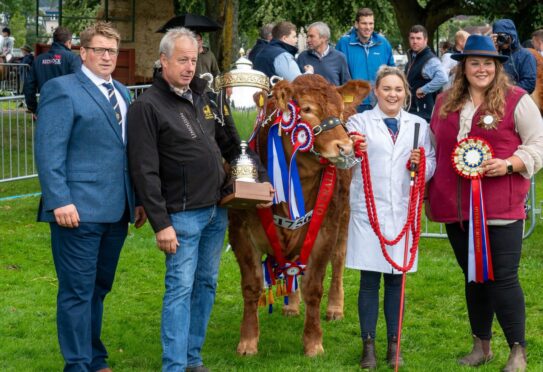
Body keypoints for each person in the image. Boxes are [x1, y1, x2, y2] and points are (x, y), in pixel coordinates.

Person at [127, 27, 271, 372]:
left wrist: (259, 180)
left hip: (213, 213)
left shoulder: (204, 99)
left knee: (205, 285)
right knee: (180, 289)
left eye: (193, 60)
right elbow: (144, 171)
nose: (190, 67)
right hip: (181, 216)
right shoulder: (146, 106)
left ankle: (193, 358)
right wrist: (162, 225)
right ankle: (174, 365)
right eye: (182, 60)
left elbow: (230, 142)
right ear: (163, 61)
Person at [427, 35, 543, 372]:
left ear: (497, 67)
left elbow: (538, 144)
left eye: (487, 63)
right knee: (473, 278)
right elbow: (433, 146)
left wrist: (510, 164)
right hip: (457, 209)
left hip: (500, 209)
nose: (481, 69)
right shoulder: (445, 101)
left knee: (503, 278)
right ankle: (481, 345)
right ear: (463, 67)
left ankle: (517, 351)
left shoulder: (516, 100)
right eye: (474, 63)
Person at [34, 22, 146, 371]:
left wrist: (138, 199)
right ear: (82, 52)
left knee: (98, 289)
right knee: (77, 292)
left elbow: (127, 153)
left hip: (116, 211)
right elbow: (49, 151)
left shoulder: (124, 93)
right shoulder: (62, 89)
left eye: (112, 51)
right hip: (76, 211)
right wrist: (59, 200)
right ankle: (78, 364)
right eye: (99, 50)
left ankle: (95, 357)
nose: (107, 57)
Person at [345, 66, 436, 369]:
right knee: (369, 280)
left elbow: (431, 161)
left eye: (398, 90)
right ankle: (368, 345)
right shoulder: (359, 122)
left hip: (402, 211)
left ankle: (394, 344)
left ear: (405, 93)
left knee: (397, 279)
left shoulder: (418, 126)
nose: (393, 95)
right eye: (387, 89)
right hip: (368, 211)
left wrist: (422, 164)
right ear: (376, 91)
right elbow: (344, 159)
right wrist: (353, 150)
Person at [336, 7, 395, 112]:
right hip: (354, 102)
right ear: (356, 24)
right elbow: (337, 72)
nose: (368, 27)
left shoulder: (383, 43)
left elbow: (392, 72)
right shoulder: (344, 43)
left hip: (379, 101)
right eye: (364, 23)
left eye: (371, 23)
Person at [24, 26, 81, 114]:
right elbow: (79, 85)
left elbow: (29, 86)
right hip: (68, 110)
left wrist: (34, 108)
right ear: (69, 42)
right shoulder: (73, 58)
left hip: (45, 108)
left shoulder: (38, 59)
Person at [404, 24, 448, 122]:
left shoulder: (430, 60)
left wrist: (424, 89)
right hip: (412, 110)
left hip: (423, 114)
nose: (415, 41)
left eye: (418, 38)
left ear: (425, 40)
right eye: (412, 38)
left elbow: (443, 78)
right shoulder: (413, 57)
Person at [296, 21, 350, 86]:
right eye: (307, 37)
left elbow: (347, 86)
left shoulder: (339, 57)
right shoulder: (302, 57)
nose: (308, 40)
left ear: (324, 38)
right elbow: (296, 85)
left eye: (311, 36)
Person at [492, 19, 537, 94]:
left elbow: (529, 84)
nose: (502, 41)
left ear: (512, 35)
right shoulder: (493, 54)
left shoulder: (526, 55)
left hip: (515, 99)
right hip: (494, 99)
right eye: (499, 37)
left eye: (504, 36)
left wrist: (505, 91)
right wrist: (492, 50)